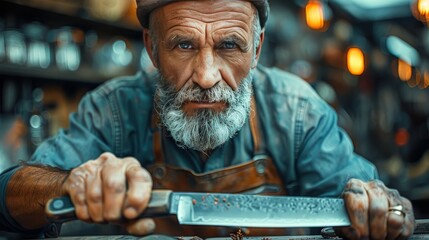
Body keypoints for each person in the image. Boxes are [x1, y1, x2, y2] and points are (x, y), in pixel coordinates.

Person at [0, 0, 415, 238]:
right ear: (151, 48)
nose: (206, 76)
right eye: (182, 45)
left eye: (230, 46)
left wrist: (376, 209)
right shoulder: (112, 110)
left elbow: (356, 197)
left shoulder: (297, 112)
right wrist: (69, 184)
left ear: (256, 50)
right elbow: (9, 197)